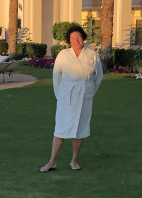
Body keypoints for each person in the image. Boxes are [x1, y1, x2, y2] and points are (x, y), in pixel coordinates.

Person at [40, 25, 103, 172]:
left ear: (83, 38)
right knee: (60, 129)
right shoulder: (63, 54)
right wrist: (59, 95)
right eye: (73, 38)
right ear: (69, 40)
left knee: (80, 129)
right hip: (66, 97)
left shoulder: (93, 55)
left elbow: (99, 77)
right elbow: (56, 76)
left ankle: (74, 160)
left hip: (84, 96)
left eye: (79, 37)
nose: (76, 40)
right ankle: (52, 161)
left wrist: (90, 92)